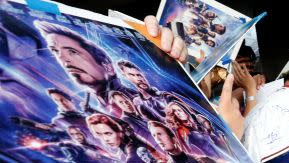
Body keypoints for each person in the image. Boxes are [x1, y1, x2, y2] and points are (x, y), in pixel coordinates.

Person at [34, 17, 187, 116]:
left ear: (107, 66)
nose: (62, 58)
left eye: (72, 52)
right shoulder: (93, 110)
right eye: (55, 51)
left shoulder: (141, 101)